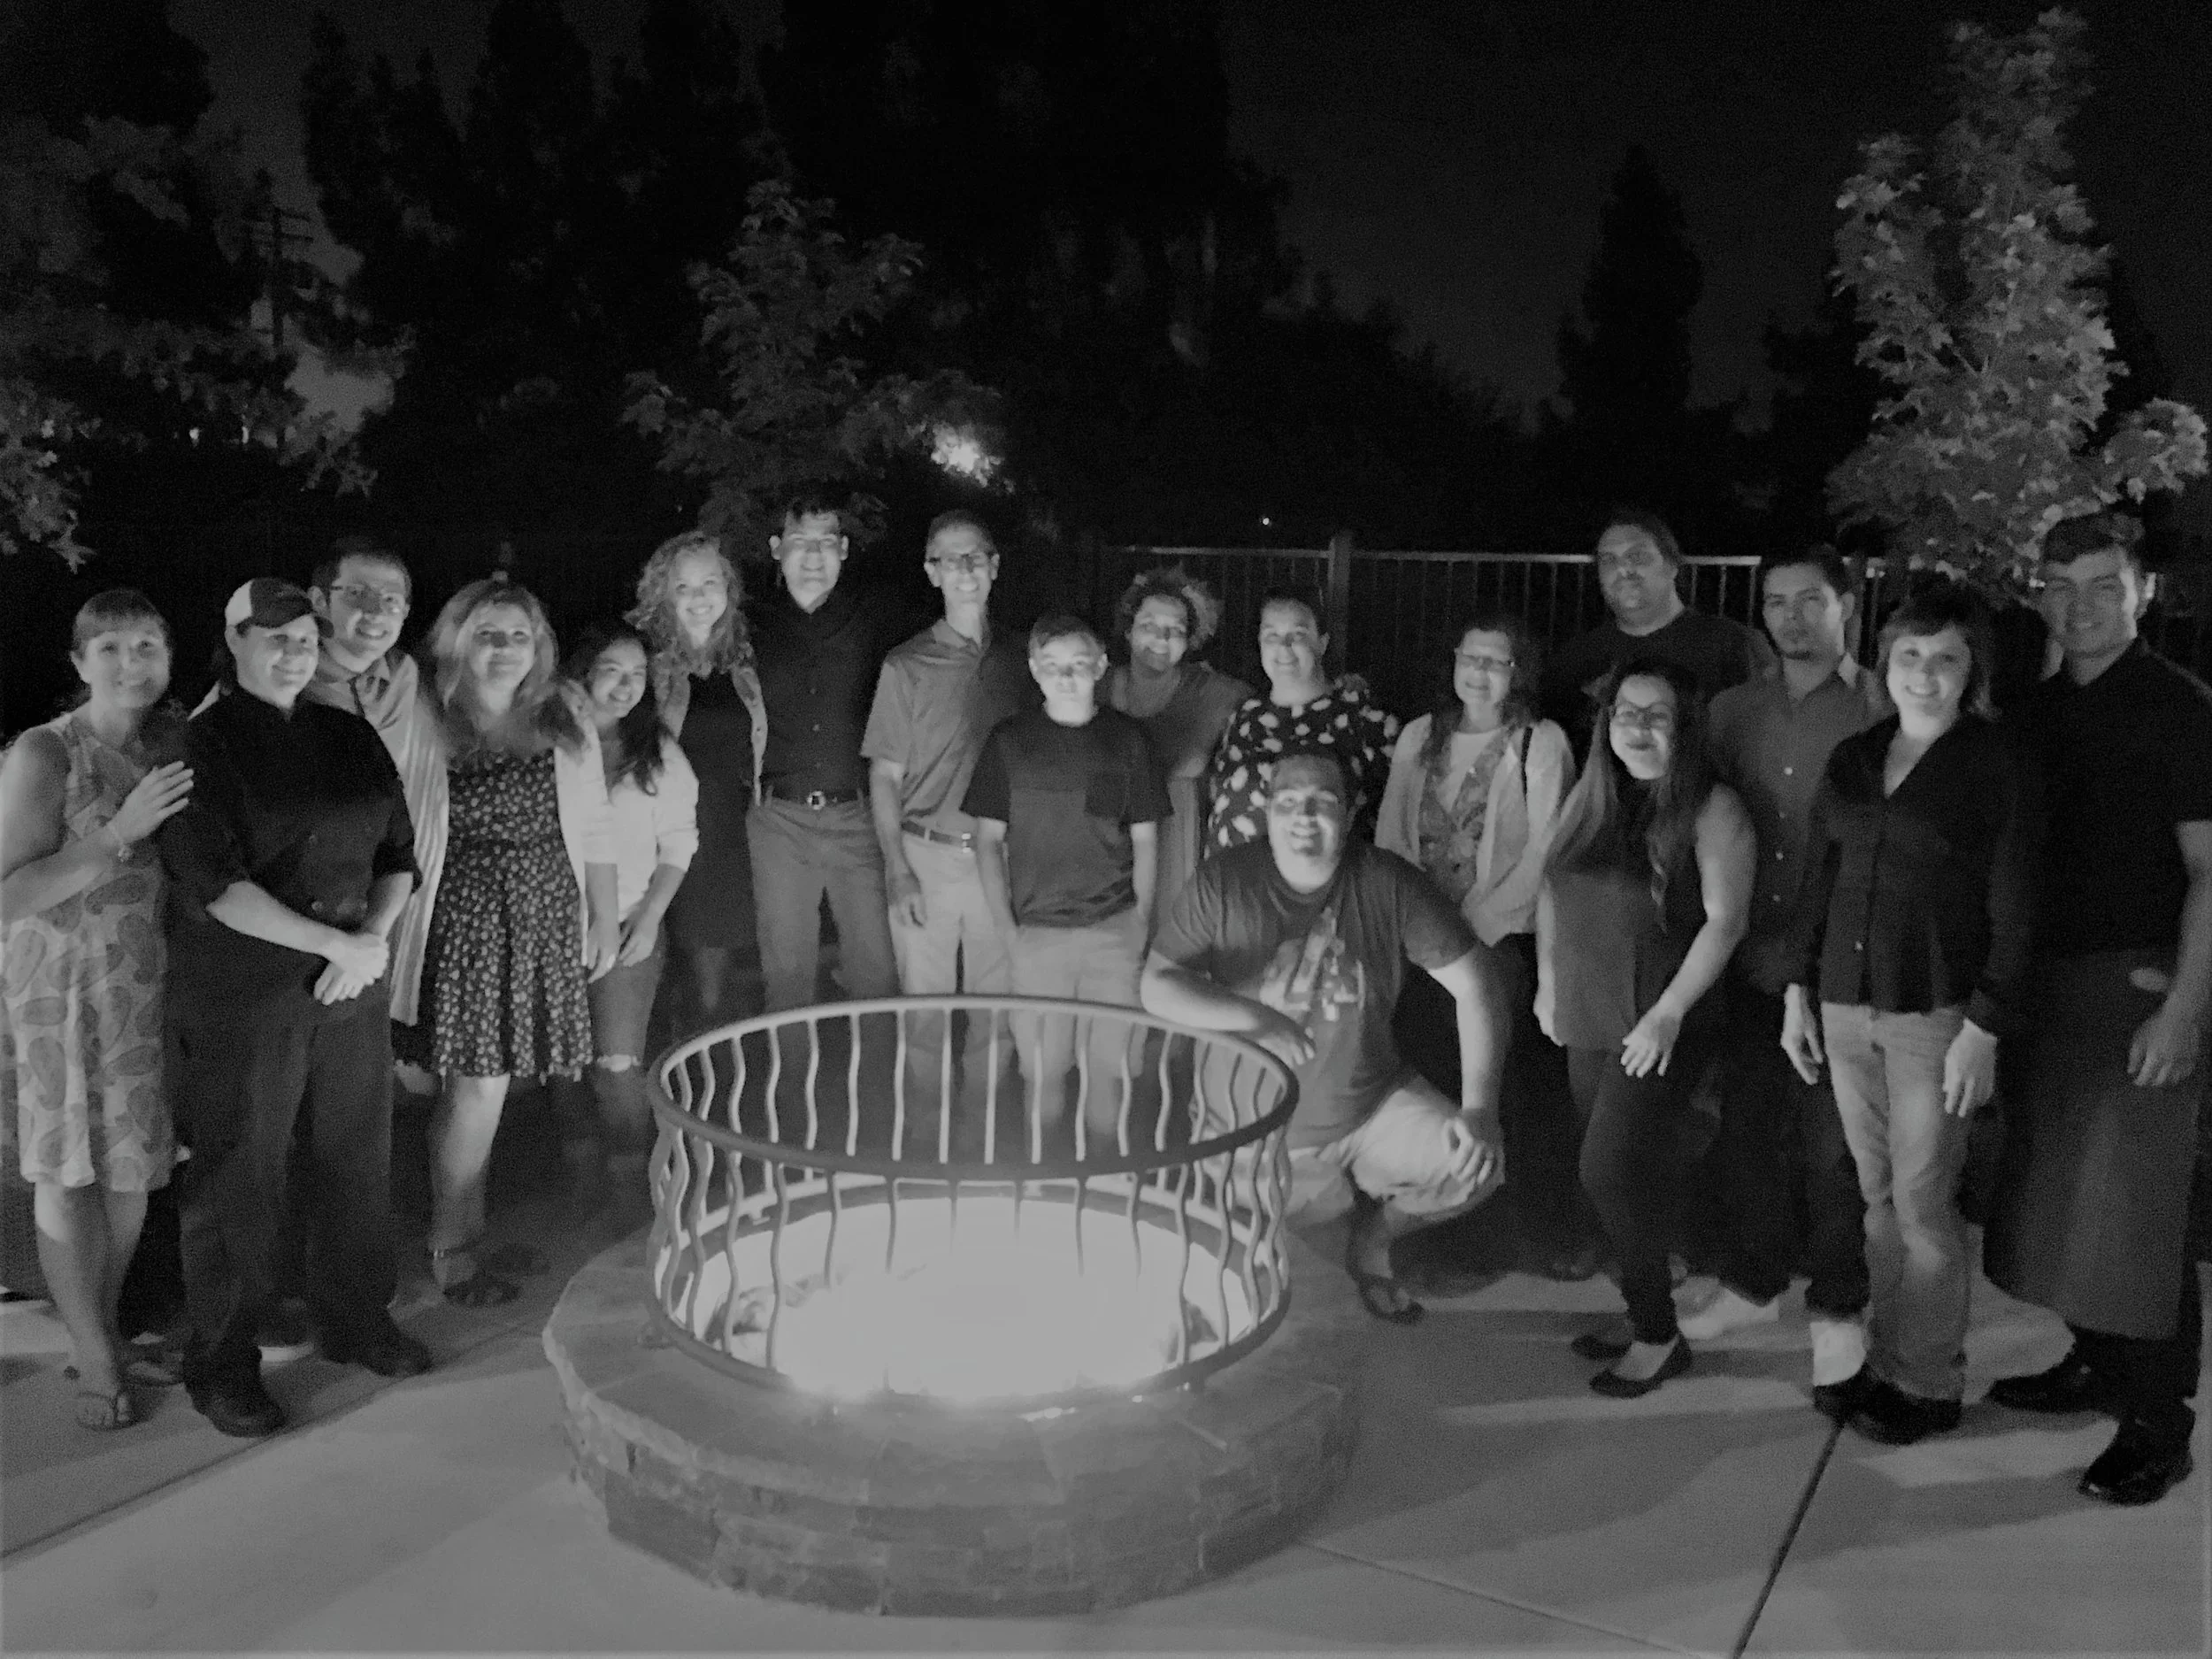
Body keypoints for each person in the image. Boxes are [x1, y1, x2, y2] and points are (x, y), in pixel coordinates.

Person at [156, 580, 426, 1438]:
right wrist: (336, 949)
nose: (293, 650)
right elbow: (216, 886)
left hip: (351, 981)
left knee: (355, 1156)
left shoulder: (348, 734)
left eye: (305, 637)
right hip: (248, 992)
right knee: (243, 1175)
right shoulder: (198, 746)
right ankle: (223, 1363)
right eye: (271, 637)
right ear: (233, 642)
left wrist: (371, 941)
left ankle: (355, 1318)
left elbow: (398, 852)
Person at [1984, 511, 2212, 1506]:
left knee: (2138, 1218)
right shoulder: (2026, 715)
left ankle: (2160, 1423)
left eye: (2102, 587)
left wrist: (2185, 1011)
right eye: (2060, 587)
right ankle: (2093, 1361)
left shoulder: (2180, 708)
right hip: (2039, 986)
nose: (2079, 607)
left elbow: (2210, 872)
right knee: (2051, 1197)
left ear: (2141, 594)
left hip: (2138, 984)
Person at [1780, 579, 2040, 1446]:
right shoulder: (1854, 759)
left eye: (1944, 659)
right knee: (1875, 1199)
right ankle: (1888, 1361)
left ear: (1970, 671)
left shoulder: (1993, 765)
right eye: (1908, 657)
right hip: (1844, 1009)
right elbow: (1820, 878)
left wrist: (1985, 1025)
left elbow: (2015, 904)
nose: (1923, 674)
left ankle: (1929, 1383)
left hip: (1936, 1017)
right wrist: (1795, 990)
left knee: (1924, 1206)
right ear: (1885, 663)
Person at [1142, 753, 1509, 1324]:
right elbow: (1157, 986)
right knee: (1263, 1294)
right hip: (1252, 1122)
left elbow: (1477, 984)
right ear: (1268, 811)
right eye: (1288, 803)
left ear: (1351, 811)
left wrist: (1481, 1106)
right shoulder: (1225, 880)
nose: (1304, 816)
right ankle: (1302, 1226)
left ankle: (1375, 1240)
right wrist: (1252, 1018)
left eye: (1323, 802)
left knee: (1473, 1164)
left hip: (1369, 1102)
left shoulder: (1387, 882)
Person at [1693, 547, 1886, 1409]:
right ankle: (1752, 1280)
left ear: (1847, 603)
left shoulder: (1887, 705)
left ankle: (1840, 1312)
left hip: (1845, 967)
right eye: (1775, 602)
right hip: (1744, 959)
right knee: (1749, 1129)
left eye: (1811, 600)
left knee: (1832, 1149)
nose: (1792, 618)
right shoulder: (1731, 711)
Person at [2, 592, 192, 1429]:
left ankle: (96, 1330)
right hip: (58, 995)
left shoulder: (171, 748)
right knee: (63, 1171)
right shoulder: (47, 752)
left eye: (146, 645)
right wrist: (120, 832)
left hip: (144, 995)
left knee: (127, 1172)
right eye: (110, 648)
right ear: (80, 663)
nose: (130, 663)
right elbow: (10, 891)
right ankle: (97, 1352)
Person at [1539, 658, 1755, 1395]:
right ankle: (1642, 1307)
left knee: (1610, 1171)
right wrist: (1545, 984)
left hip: (1659, 1020)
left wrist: (1666, 1014)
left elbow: (1726, 923)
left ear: (1684, 725)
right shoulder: (1594, 798)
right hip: (1586, 1013)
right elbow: (1553, 895)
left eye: (1656, 713)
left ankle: (1660, 1336)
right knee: (1627, 1177)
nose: (1637, 727)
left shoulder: (1710, 807)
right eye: (1625, 712)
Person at [402, 579, 619, 1307]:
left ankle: (469, 1230)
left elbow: (593, 823)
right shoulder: (423, 710)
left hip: (545, 909)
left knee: (497, 1087)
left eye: (518, 635)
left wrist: (605, 916)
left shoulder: (562, 712)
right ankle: (452, 1246)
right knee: (476, 1087)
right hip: (463, 916)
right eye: (488, 634)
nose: (503, 649)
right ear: (457, 637)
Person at [1374, 610, 1587, 1279]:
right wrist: (1417, 920)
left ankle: (1502, 1237)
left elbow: (1549, 845)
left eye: (1497, 661)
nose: (1480, 672)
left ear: (1518, 671)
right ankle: (1434, 1233)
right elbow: (1391, 834)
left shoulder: (1539, 741)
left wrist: (1476, 921)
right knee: (1431, 1083)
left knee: (1500, 1091)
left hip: (1495, 941)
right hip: (1420, 945)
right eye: (1472, 657)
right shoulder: (1420, 735)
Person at [964, 615, 1170, 1144]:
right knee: (1042, 1071)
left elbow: (1147, 839)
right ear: (1034, 669)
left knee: (1110, 1071)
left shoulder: (1128, 740)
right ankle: (1042, 1177)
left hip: (1113, 930)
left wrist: (1140, 923)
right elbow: (988, 841)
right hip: (1038, 936)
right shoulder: (1010, 740)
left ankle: (1103, 1182)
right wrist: (1009, 933)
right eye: (1053, 666)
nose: (1067, 676)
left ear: (1101, 666)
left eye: (1079, 665)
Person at [863, 511, 1036, 1121]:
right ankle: (925, 1140)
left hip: (1002, 859)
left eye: (975, 557)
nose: (964, 570)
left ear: (994, 566)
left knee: (999, 1009)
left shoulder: (1026, 660)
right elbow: (883, 773)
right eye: (949, 559)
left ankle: (982, 1139)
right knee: (924, 1013)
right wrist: (895, 868)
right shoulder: (905, 665)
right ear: (932, 571)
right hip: (926, 856)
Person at [559, 623, 698, 1229]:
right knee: (562, 1063)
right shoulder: (551, 740)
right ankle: (580, 1185)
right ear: (582, 671)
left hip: (632, 919)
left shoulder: (657, 749)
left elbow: (679, 842)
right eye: (611, 670)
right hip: (555, 928)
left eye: (637, 675)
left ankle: (630, 1194)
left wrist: (649, 918)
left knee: (617, 1064)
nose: (624, 686)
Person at [749, 492, 905, 1013]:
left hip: (857, 817)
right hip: (779, 821)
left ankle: (880, 1089)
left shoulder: (880, 619)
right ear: (777, 548)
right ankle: (789, 1093)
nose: (812, 556)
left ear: (842, 550)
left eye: (824, 543)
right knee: (786, 976)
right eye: (799, 542)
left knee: (877, 973)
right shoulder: (748, 626)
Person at [627, 530, 765, 1033]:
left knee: (716, 962)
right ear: (664, 594)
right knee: (668, 961)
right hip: (666, 831)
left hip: (730, 829)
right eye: (684, 586)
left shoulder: (746, 664)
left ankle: (713, 1067)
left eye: (710, 582)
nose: (700, 596)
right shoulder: (644, 664)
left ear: (728, 590)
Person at [1543, 511, 1775, 752]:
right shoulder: (1576, 658)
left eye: (1637, 557)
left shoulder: (1733, 644)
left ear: (1672, 566)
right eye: (1609, 561)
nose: (1624, 570)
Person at [1103, 566, 1252, 915]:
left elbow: (1279, 704)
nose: (1161, 637)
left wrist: (1344, 689)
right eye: (1148, 625)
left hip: (1175, 840)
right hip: (1108, 843)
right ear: (1128, 629)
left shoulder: (1214, 693)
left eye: (1175, 630)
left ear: (1191, 639)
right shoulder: (1097, 686)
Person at [1206, 588, 1399, 850]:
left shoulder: (1365, 721)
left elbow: (1392, 820)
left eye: (1298, 635)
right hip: (1236, 882)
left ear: (1322, 642)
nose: (1283, 647)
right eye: (1271, 635)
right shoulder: (1244, 717)